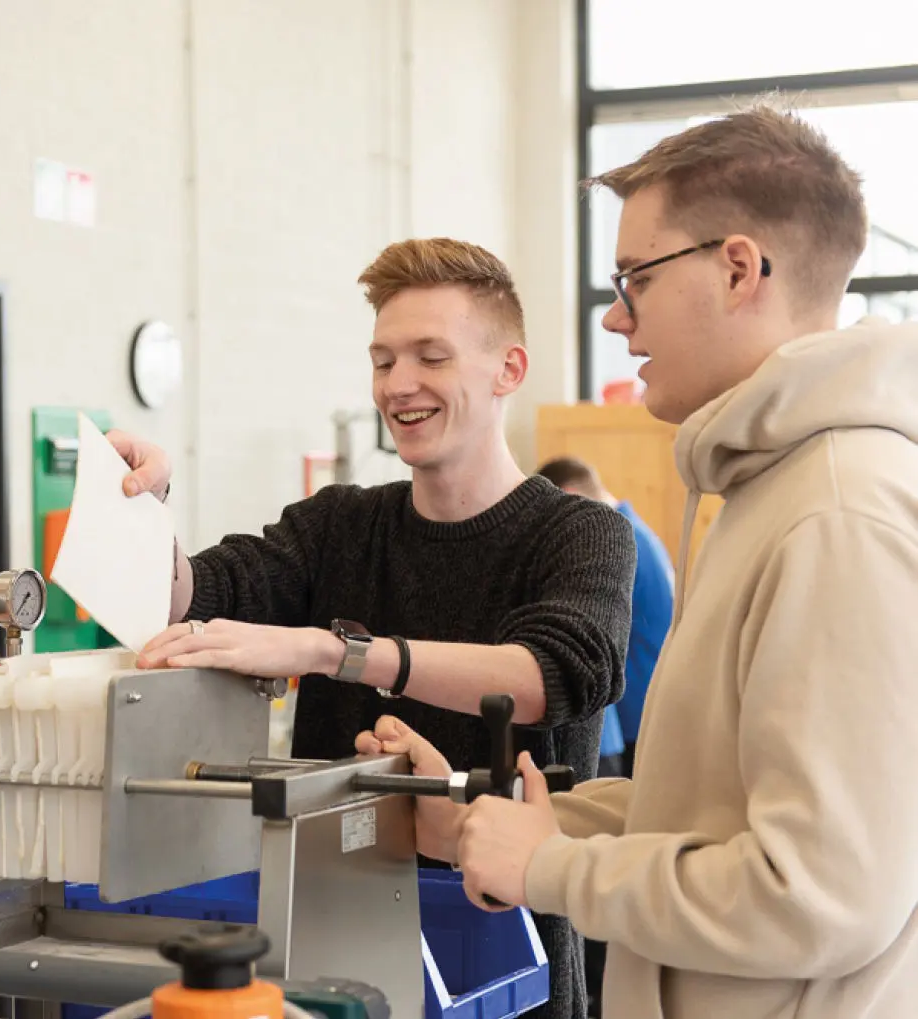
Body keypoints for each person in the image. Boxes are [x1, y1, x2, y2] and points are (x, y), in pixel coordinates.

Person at [358, 102, 918, 1019]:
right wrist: (477, 814)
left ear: (737, 269)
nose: (617, 320)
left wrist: (549, 864)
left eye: (635, 279)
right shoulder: (769, 491)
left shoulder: (837, 512)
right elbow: (708, 819)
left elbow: (816, 895)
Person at [109, 238, 637, 1019]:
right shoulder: (339, 525)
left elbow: (550, 674)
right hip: (327, 952)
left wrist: (339, 652)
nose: (400, 385)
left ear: (508, 371)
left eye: (430, 356)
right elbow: (204, 591)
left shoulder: (580, 533)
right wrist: (144, 514)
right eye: (383, 360)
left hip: (503, 963)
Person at [536, 456, 673, 777]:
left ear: (570, 497)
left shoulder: (617, 539)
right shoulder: (637, 530)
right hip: (637, 715)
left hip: (636, 717)